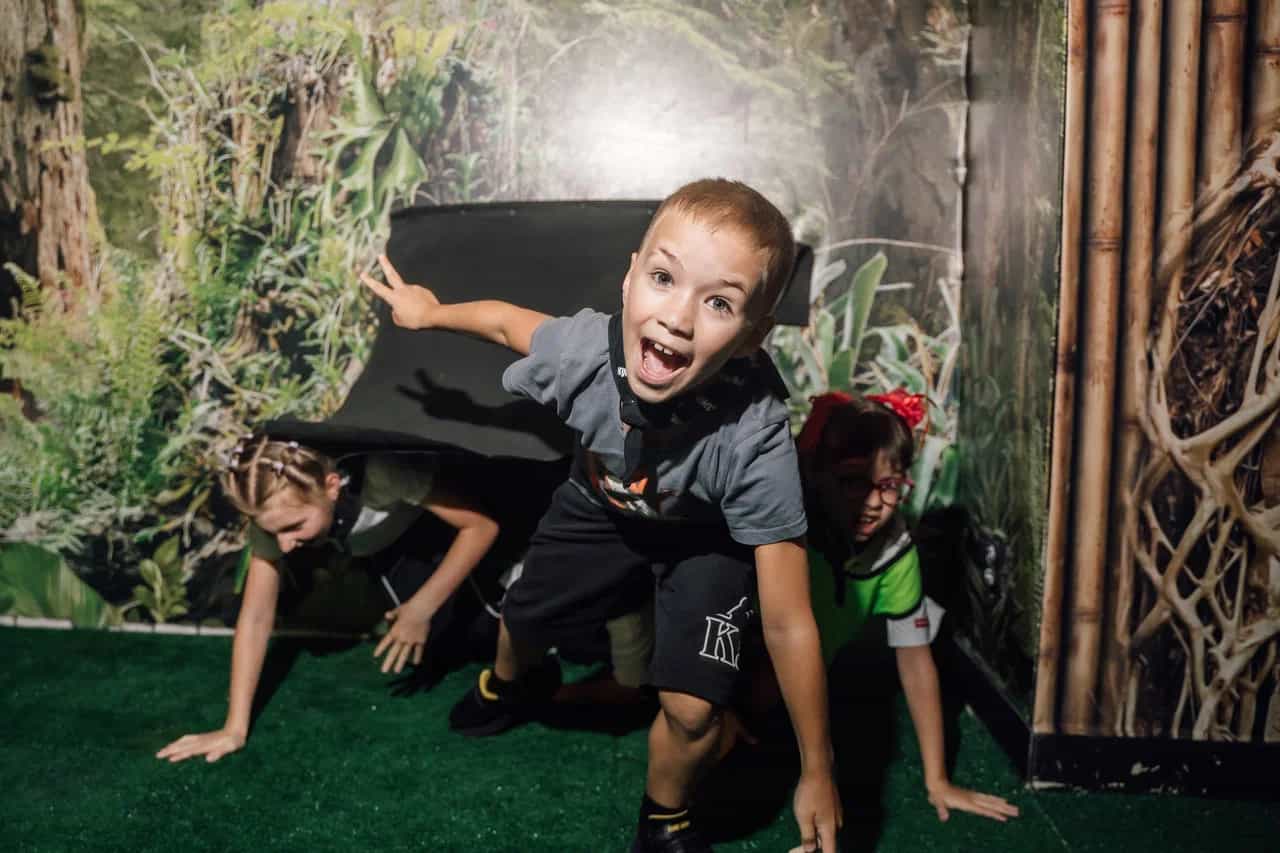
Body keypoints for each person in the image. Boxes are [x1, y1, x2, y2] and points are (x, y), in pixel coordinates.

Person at [361, 178, 840, 853]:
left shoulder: (756, 437)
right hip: (602, 503)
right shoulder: (588, 349)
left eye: (720, 302)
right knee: (522, 619)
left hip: (705, 538)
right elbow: (505, 323)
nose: (677, 318)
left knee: (693, 710)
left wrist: (818, 769)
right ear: (630, 277)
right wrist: (430, 312)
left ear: (752, 337)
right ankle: (508, 686)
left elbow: (789, 620)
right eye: (664, 278)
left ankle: (665, 816)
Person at [155, 437, 501, 763]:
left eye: (294, 527)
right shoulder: (273, 517)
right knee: (444, 647)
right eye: (275, 533)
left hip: (461, 525)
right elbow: (257, 615)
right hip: (392, 551)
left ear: (332, 486)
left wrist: (421, 608)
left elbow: (482, 527)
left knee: (494, 629)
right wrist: (234, 729)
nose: (284, 545)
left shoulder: (385, 473)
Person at [774, 390, 1020, 834]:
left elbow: (915, 660)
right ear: (817, 475)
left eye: (888, 486)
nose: (873, 502)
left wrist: (937, 780)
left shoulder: (895, 551)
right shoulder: (785, 535)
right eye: (853, 481)